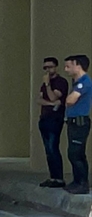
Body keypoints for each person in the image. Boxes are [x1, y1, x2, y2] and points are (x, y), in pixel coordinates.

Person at [37, 57, 70, 188]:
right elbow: (39, 100)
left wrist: (47, 85)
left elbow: (53, 96)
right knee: (48, 150)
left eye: (50, 67)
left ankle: (59, 178)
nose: (48, 70)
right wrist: (51, 104)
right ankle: (53, 177)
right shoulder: (44, 83)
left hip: (55, 119)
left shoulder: (61, 82)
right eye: (45, 67)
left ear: (56, 67)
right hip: (44, 118)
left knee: (53, 148)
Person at [62, 54, 91, 195]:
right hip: (73, 122)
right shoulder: (77, 82)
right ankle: (77, 181)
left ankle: (83, 183)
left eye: (68, 66)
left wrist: (67, 98)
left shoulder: (83, 82)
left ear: (77, 65)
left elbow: (70, 100)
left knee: (76, 153)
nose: (66, 69)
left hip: (80, 122)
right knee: (74, 153)